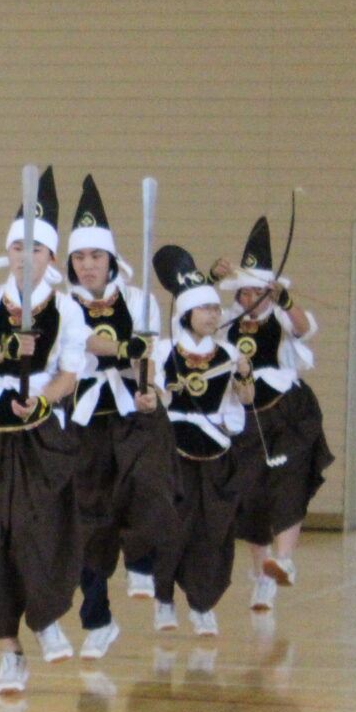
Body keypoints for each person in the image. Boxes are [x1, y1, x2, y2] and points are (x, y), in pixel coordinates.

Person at [0, 166, 88, 694]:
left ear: (50, 258)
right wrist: (4, 353)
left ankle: (48, 618)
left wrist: (43, 398)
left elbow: (70, 373)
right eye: (16, 249)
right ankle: (8, 652)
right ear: (7, 253)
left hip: (39, 435)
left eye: (35, 251)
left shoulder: (69, 310)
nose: (24, 258)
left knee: (41, 530)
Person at [62, 174, 175, 659]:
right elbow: (78, 347)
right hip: (84, 420)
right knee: (90, 520)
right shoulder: (61, 306)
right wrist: (121, 348)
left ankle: (142, 562)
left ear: (111, 259)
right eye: (80, 257)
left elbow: (150, 356)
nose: (88, 265)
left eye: (97, 256)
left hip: (134, 413)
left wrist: (149, 386)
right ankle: (97, 618)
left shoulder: (139, 300)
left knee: (150, 486)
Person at [213, 216, 331, 612]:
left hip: (288, 414)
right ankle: (262, 574)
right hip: (246, 417)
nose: (250, 299)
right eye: (243, 292)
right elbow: (194, 325)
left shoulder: (280, 317)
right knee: (251, 494)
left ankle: (284, 560)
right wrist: (213, 277)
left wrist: (285, 300)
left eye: (257, 292)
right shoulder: (226, 325)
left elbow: (304, 328)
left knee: (288, 483)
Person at [148, 246, 254, 635]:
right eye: (204, 308)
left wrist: (243, 373)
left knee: (212, 531)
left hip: (216, 452)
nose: (212, 314)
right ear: (186, 313)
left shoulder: (228, 352)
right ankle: (163, 602)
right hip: (175, 451)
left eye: (215, 308)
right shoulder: (165, 351)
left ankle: (202, 602)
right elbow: (155, 398)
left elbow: (244, 401)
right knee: (171, 527)